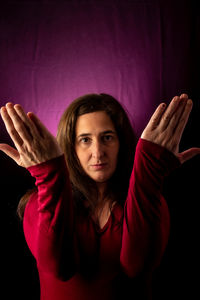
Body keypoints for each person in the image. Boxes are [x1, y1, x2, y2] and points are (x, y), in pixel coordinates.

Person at [0, 93, 199, 300]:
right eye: (85, 140)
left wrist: (149, 170)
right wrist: (49, 175)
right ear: (71, 147)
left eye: (107, 138)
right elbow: (60, 268)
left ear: (121, 143)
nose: (98, 152)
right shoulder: (38, 203)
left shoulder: (151, 202)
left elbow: (137, 266)